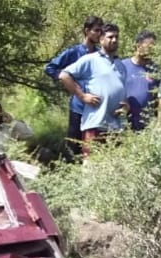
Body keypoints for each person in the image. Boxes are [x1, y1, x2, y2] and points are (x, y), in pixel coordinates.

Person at [59, 23, 127, 157]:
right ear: (101, 39)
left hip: (115, 127)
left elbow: (121, 91)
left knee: (114, 169)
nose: (114, 40)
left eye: (116, 37)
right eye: (110, 37)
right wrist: (82, 96)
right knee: (92, 167)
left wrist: (126, 106)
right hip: (95, 124)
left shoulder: (120, 65)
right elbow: (64, 75)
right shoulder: (91, 60)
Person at [44, 16, 103, 156]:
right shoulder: (74, 52)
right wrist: (67, 81)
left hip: (96, 107)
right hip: (78, 106)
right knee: (73, 147)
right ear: (86, 31)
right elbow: (50, 68)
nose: (99, 34)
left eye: (101, 31)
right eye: (96, 30)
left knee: (93, 148)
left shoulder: (100, 54)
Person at [120, 30, 161, 131]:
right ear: (138, 46)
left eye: (154, 47)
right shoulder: (122, 66)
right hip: (124, 123)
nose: (152, 50)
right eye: (149, 46)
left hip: (147, 126)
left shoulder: (155, 70)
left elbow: (160, 99)